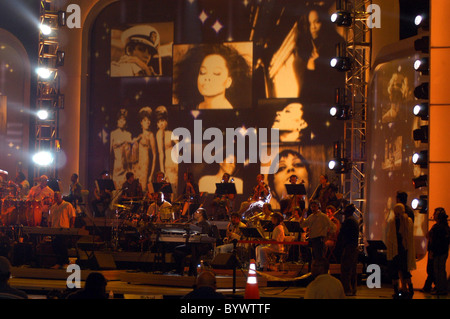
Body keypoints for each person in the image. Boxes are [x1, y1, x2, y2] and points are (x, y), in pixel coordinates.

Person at [173, 43, 252, 109]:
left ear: (228, 82)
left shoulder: (232, 114)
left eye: (216, 73)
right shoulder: (192, 107)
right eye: (202, 72)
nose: (207, 78)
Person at [294, 6, 345, 102]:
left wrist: (316, 66)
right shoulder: (306, 51)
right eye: (310, 23)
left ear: (324, 22)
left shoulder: (336, 44)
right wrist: (311, 67)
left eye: (317, 22)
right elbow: (305, 91)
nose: (313, 27)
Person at [172, 208, 216, 276]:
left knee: (194, 251)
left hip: (202, 247)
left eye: (197, 212)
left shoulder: (206, 224)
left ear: (201, 214)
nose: (195, 213)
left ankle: (192, 272)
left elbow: (204, 237)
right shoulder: (195, 224)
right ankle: (179, 270)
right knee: (177, 250)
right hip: (192, 245)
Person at [385, 203, 416, 299]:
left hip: (396, 252)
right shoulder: (409, 221)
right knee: (406, 272)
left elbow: (390, 238)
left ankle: (397, 291)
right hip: (405, 251)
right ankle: (409, 290)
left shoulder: (393, 222)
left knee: (395, 273)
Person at [335, 204, 360, 296]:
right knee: (353, 270)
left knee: (346, 270)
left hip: (349, 247)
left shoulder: (348, 221)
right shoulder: (354, 221)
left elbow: (342, 235)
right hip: (354, 247)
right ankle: (353, 289)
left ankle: (347, 290)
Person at [48, 192, 77, 269]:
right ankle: (58, 262)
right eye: (55, 197)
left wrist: (71, 227)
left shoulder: (67, 205)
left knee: (63, 246)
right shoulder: (53, 207)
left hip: (64, 229)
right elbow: (50, 219)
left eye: (57, 197)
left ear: (60, 196)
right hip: (55, 229)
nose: (56, 198)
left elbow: (72, 216)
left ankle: (65, 262)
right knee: (55, 246)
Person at [155, 105, 178, 198]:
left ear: (166, 122)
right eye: (159, 121)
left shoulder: (170, 133)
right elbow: (160, 153)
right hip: (167, 165)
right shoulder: (159, 134)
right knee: (168, 190)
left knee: (175, 188)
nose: (161, 123)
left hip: (175, 163)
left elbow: (179, 145)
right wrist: (162, 171)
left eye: (163, 121)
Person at [132, 107, 157, 191]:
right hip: (137, 166)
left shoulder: (150, 135)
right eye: (145, 120)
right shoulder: (139, 136)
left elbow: (154, 154)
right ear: (141, 122)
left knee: (143, 188)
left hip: (145, 165)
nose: (148, 122)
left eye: (148, 120)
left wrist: (151, 173)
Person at [426, 207, 450, 296]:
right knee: (442, 270)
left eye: (435, 214)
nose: (433, 215)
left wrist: (432, 251)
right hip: (444, 251)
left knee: (438, 270)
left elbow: (432, 239)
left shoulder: (437, 227)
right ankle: (442, 288)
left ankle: (440, 289)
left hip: (437, 252)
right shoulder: (446, 227)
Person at [110, 109, 132, 190]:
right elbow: (110, 154)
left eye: (124, 120)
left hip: (125, 168)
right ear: (117, 121)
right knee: (115, 190)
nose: (122, 122)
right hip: (116, 166)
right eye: (120, 120)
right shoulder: (113, 134)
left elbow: (130, 154)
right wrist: (110, 171)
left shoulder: (128, 134)